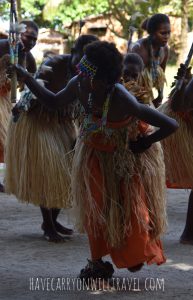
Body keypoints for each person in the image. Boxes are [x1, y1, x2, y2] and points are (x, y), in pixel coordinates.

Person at [8, 41, 178, 281]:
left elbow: (171, 124)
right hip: (92, 159)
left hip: (122, 164)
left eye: (85, 71)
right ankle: (97, 261)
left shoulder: (121, 97)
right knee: (95, 211)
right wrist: (27, 78)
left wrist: (145, 143)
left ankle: (131, 254)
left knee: (129, 215)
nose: (79, 72)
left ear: (100, 80)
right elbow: (54, 101)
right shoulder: (79, 84)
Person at [5, 35, 99, 242]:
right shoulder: (53, 64)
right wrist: (27, 81)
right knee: (51, 170)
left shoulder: (91, 72)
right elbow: (40, 96)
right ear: (73, 51)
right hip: (36, 120)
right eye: (80, 59)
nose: (82, 65)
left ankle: (52, 220)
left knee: (68, 173)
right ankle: (48, 224)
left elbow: (77, 104)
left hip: (62, 121)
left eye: (88, 61)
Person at [0, 20, 38, 192]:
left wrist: (23, 104)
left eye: (34, 39)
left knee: (5, 142)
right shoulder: (1, 46)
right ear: (16, 34)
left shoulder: (28, 58)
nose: (31, 42)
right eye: (28, 37)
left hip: (6, 101)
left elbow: (33, 84)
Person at [158, 64, 193, 245]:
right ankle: (188, 234)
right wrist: (183, 84)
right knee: (153, 176)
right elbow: (179, 105)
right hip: (177, 129)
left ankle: (189, 233)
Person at [131, 13, 171, 107]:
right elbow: (129, 80)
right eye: (163, 33)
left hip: (148, 95)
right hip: (134, 95)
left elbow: (162, 73)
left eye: (169, 32)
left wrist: (160, 95)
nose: (167, 36)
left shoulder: (165, 49)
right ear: (152, 33)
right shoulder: (138, 49)